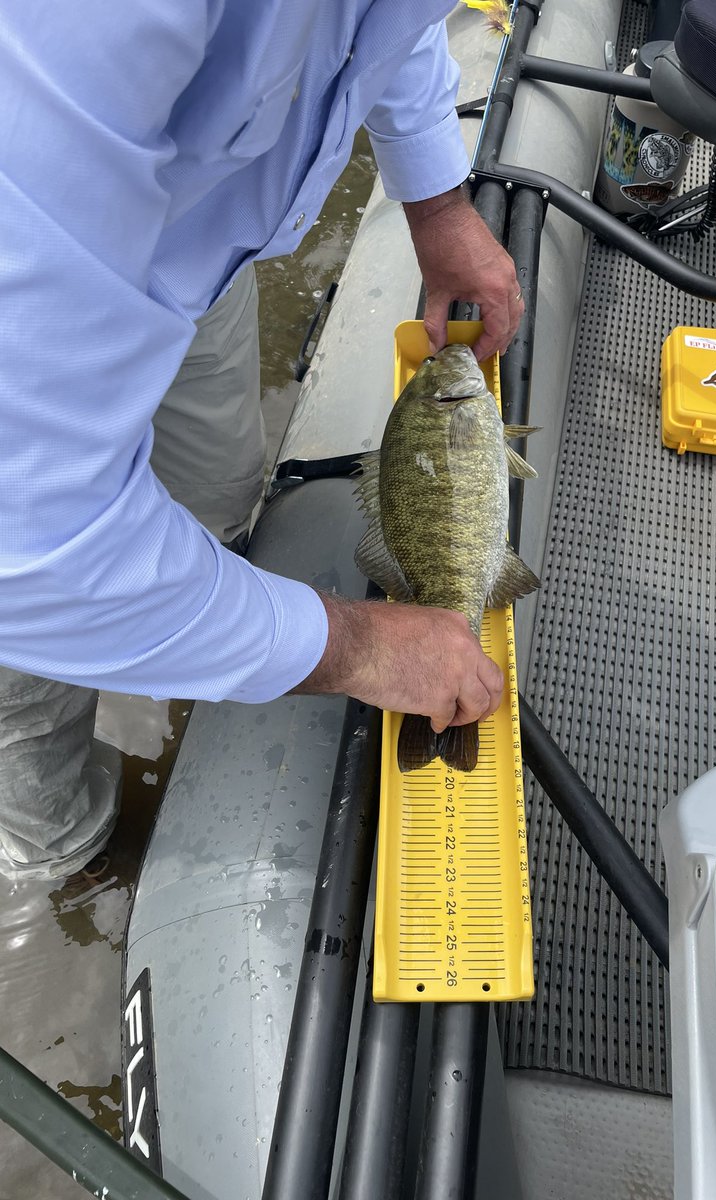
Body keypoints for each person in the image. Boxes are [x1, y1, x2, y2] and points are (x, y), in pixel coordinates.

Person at [0, 1, 524, 880]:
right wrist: (360, 647)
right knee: (28, 656)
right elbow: (34, 546)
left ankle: (203, 650)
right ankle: (65, 855)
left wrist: (437, 202)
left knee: (218, 502)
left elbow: (381, 24)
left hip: (192, 254)